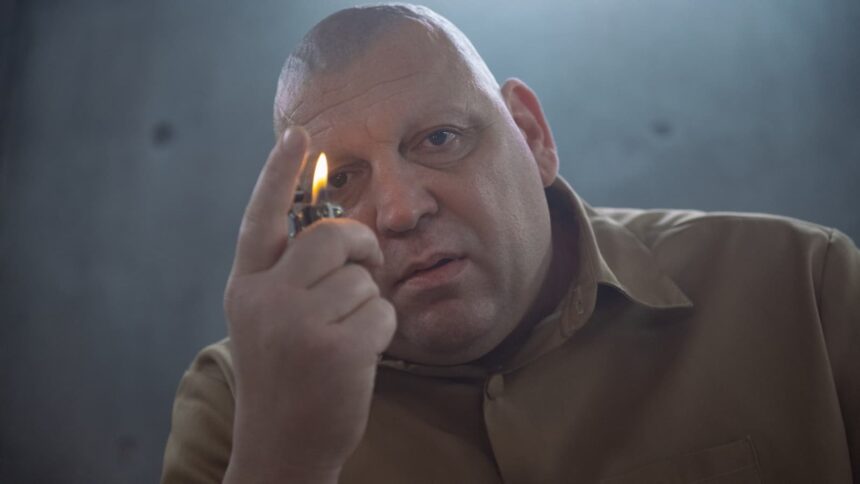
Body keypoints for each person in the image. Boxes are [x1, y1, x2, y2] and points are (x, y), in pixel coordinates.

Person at [161, 4, 860, 483]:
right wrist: (286, 461)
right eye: (342, 179)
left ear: (531, 135)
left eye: (439, 138)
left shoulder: (804, 287)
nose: (401, 211)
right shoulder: (239, 403)